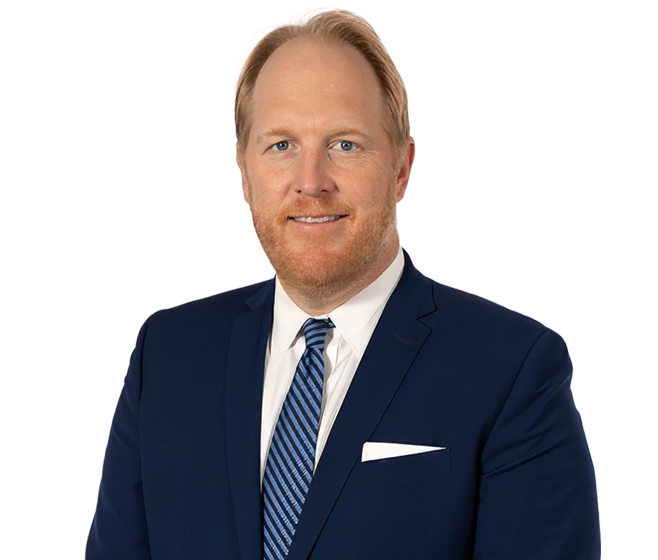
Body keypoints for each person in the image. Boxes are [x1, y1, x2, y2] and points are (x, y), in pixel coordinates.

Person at [86, 8, 600, 559]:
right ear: (245, 172)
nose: (311, 183)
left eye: (345, 145)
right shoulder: (168, 355)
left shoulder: (510, 368)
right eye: (281, 145)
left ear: (401, 168)